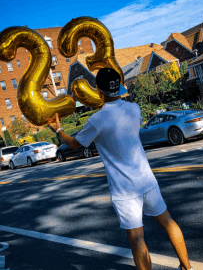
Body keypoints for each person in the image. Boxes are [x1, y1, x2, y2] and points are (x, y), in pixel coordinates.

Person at [49, 68, 193, 270]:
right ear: (119, 88)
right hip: (147, 179)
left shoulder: (97, 120)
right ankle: (187, 267)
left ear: (99, 91)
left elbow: (74, 144)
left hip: (124, 189)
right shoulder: (134, 108)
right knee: (168, 222)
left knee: (137, 239)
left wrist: (58, 130)